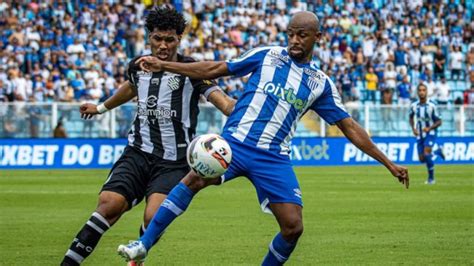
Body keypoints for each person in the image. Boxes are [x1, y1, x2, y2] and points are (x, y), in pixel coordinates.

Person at [117, 11, 409, 265]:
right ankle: (143, 246)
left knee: (293, 227)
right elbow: (217, 68)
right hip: (235, 143)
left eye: (302, 35)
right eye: (291, 34)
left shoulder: (320, 83)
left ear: (317, 37)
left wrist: (389, 163)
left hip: (273, 157)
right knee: (193, 178)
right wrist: (166, 65)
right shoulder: (267, 55)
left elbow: (350, 126)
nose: (294, 40)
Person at [60, 6, 235, 266]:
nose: (163, 45)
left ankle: (137, 257)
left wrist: (240, 109)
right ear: (149, 36)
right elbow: (131, 88)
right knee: (108, 205)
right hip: (138, 152)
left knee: (153, 217)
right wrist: (100, 108)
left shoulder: (192, 70)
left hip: (174, 161)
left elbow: (223, 103)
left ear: (179, 39)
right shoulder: (138, 66)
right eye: (157, 38)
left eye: (169, 39)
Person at [409, 83, 445, 185]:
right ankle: (437, 152)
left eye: (424, 90)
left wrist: (430, 128)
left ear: (427, 92)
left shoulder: (432, 105)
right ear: (417, 92)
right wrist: (413, 129)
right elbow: (411, 117)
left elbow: (439, 121)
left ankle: (431, 179)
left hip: (431, 133)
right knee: (421, 159)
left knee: (426, 153)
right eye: (420, 90)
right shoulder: (414, 106)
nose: (422, 92)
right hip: (420, 133)